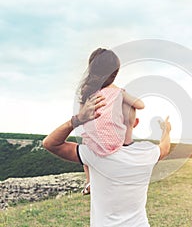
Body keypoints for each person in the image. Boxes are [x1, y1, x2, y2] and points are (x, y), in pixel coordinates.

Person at [43, 94, 171, 227]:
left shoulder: (96, 153)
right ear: (136, 122)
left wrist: (77, 120)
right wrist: (166, 131)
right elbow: (165, 148)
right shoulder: (148, 152)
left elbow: (51, 144)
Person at [77, 48, 144, 194]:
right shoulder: (118, 92)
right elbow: (141, 105)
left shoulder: (86, 92)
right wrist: (124, 94)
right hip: (116, 141)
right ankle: (127, 142)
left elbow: (82, 118)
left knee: (85, 140)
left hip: (93, 144)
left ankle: (89, 182)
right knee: (129, 106)